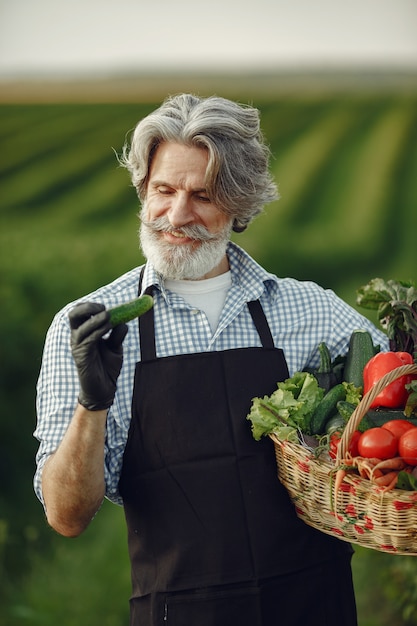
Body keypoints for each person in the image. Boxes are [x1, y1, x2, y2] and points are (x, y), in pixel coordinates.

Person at [34, 93, 389, 626]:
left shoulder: (311, 310)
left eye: (202, 195)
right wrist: (93, 402)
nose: (177, 215)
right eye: (163, 190)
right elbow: (66, 517)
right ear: (143, 191)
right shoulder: (88, 328)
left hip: (314, 605)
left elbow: (398, 402)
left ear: (239, 204)